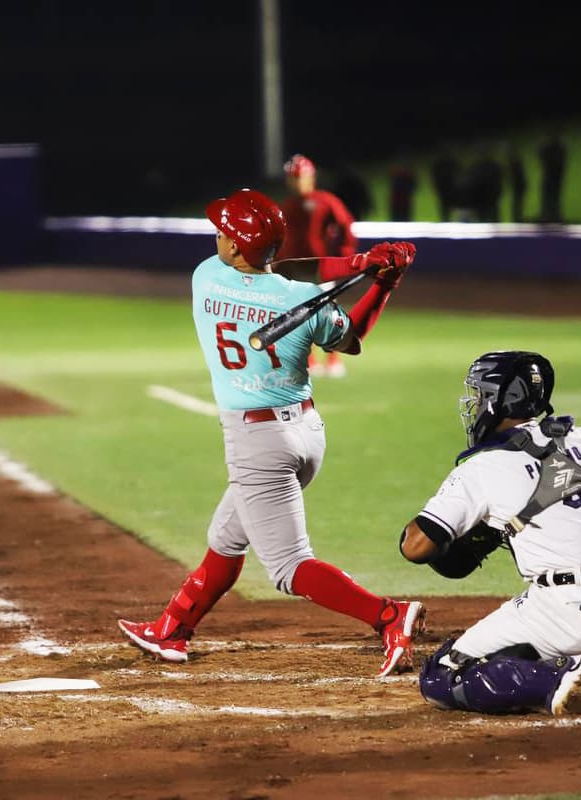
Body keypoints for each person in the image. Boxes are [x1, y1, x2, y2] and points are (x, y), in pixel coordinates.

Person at [118, 189, 424, 678]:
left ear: (239, 249)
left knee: (288, 567)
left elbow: (288, 270)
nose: (217, 235)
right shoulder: (301, 299)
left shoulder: (207, 276)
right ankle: (173, 627)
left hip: (257, 443)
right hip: (305, 434)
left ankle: (387, 615)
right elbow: (352, 336)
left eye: (224, 232)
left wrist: (358, 265)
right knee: (226, 535)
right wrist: (380, 279)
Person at [398, 351, 581, 716]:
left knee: (442, 676)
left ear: (495, 401)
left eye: (478, 395)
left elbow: (416, 547)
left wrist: (478, 528)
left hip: (570, 614)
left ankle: (560, 676)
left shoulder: (480, 469)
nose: (473, 404)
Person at [276, 153, 358, 378]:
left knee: (328, 313)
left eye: (300, 176)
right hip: (293, 270)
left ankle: (334, 358)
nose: (296, 181)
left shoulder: (325, 201)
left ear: (310, 177)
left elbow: (345, 225)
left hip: (319, 268)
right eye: (293, 177)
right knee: (298, 315)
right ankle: (309, 359)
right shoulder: (285, 206)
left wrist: (344, 253)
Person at [537, 132, 566, 223]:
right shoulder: (558, 149)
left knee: (551, 197)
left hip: (552, 178)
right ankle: (551, 215)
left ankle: (551, 216)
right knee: (551, 197)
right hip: (553, 178)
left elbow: (541, 153)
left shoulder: (554, 150)